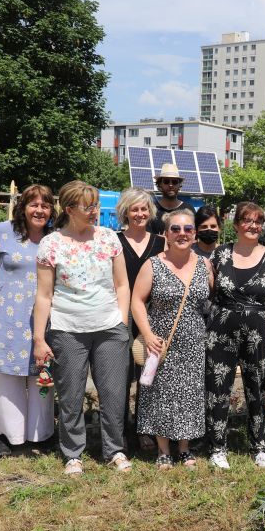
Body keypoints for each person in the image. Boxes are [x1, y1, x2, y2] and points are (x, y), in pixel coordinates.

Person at [33, 180, 132, 476]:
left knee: (114, 393)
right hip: (67, 328)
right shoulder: (51, 243)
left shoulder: (109, 238)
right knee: (71, 394)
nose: (95, 211)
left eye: (96, 205)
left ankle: (114, 449)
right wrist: (40, 337)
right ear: (69, 208)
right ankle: (73, 453)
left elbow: (122, 284)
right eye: (88, 206)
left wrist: (122, 323)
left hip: (110, 327)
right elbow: (44, 294)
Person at [0, 184, 56, 458]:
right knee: (5, 376)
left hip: (42, 316)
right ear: (23, 207)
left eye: (45, 205)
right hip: (7, 314)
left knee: (41, 375)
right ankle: (4, 434)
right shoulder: (4, 231)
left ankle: (40, 434)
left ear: (52, 210)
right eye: (34, 204)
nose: (39, 210)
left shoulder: (54, 238)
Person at [206, 202, 265, 469]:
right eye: (247, 220)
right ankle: (217, 447)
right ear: (237, 224)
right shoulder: (219, 255)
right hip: (221, 332)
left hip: (259, 334)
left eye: (258, 221)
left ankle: (259, 446)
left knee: (257, 389)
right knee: (218, 389)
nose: (253, 226)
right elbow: (207, 295)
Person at [131, 210, 213, 469]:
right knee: (160, 393)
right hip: (160, 342)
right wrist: (147, 334)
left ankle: (185, 448)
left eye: (188, 229)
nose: (182, 233)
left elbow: (209, 302)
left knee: (190, 393)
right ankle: (163, 450)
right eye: (175, 229)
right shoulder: (153, 265)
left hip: (193, 341)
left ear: (195, 233)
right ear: (166, 234)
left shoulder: (205, 264)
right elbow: (137, 301)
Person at [116, 188, 165, 450]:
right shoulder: (114, 241)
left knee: (148, 375)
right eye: (134, 209)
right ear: (125, 211)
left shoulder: (161, 242)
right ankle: (122, 429)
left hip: (152, 318)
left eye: (144, 209)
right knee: (121, 376)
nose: (140, 214)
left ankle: (145, 428)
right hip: (121, 317)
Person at [148, 163, 195, 235]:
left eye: (174, 182)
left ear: (179, 185)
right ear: (160, 184)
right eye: (166, 181)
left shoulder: (188, 209)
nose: (170, 185)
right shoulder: (152, 209)